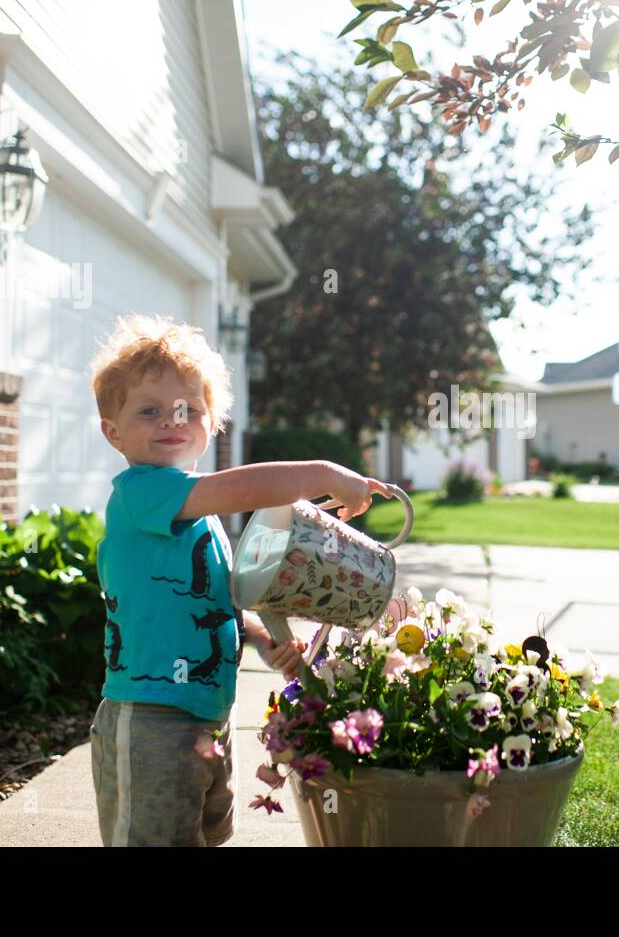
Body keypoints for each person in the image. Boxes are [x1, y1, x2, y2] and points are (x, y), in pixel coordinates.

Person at [86, 313, 390, 846]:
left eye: (189, 409)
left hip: (207, 714)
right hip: (150, 718)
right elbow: (250, 488)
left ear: (213, 425)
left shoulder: (201, 518)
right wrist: (323, 475)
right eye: (149, 410)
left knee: (206, 834)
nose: (170, 420)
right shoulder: (142, 493)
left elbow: (218, 598)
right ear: (113, 432)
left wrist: (261, 636)